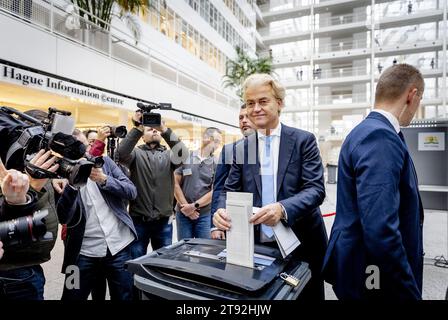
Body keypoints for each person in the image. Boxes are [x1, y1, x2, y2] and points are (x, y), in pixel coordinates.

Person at [213, 73, 328, 300]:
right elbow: (228, 190)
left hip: (302, 245)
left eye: (263, 101)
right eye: (250, 103)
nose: (255, 109)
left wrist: (282, 209)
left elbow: (316, 189)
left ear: (280, 103)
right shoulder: (242, 148)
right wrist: (220, 211)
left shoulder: (303, 141)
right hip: (258, 247)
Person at [322, 64, 425, 300]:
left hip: (364, 266)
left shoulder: (365, 131)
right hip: (373, 274)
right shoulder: (380, 136)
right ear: (412, 95)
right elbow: (380, 229)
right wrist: (409, 293)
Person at [58, 132, 138, 300]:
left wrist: (104, 179)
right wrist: (71, 187)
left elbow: (131, 191)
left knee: (125, 296)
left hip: (119, 247)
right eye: (74, 149)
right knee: (71, 295)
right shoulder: (60, 173)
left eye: (85, 146)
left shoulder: (106, 163)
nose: (82, 152)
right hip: (81, 253)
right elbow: (62, 217)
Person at [117, 111, 189, 258]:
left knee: (164, 261)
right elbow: (121, 154)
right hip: (138, 220)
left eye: (155, 128)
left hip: (164, 221)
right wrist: (137, 128)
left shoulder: (169, 156)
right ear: (142, 136)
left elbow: (183, 154)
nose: (154, 130)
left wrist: (165, 129)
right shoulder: (135, 154)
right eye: (149, 129)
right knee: (136, 259)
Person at [210, 104, 256, 240]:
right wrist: (215, 225)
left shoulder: (271, 149)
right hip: (234, 219)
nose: (244, 120)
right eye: (241, 117)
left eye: (248, 116)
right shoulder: (229, 149)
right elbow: (219, 188)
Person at [174, 127, 222, 241]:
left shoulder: (217, 163)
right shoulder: (186, 157)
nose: (217, 146)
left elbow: (214, 191)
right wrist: (186, 208)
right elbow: (175, 184)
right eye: (215, 141)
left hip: (204, 215)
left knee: (204, 248)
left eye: (218, 143)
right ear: (205, 138)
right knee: (184, 248)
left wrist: (193, 206)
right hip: (183, 213)